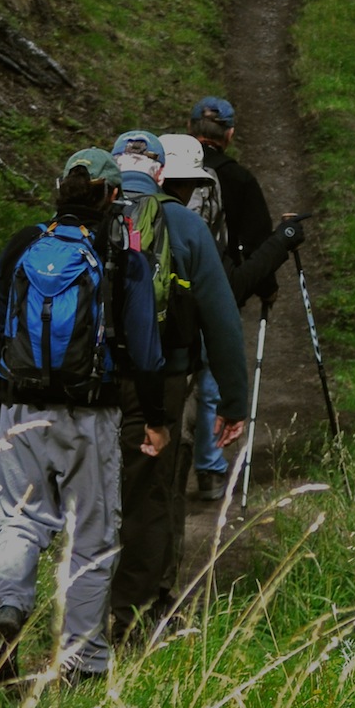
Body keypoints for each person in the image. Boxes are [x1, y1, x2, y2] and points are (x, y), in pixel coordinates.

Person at [0, 148, 167, 685]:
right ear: (113, 196)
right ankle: (83, 663)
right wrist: (156, 416)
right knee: (90, 535)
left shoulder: (24, 245)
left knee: (20, 520)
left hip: (20, 406)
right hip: (91, 415)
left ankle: (5, 613)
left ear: (61, 187)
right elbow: (148, 352)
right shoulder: (123, 259)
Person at [108, 130, 248, 637]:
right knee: (150, 491)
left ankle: (76, 604)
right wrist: (234, 400)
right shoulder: (187, 226)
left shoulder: (87, 215)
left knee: (97, 489)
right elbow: (222, 321)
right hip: (163, 380)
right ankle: (132, 614)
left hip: (90, 384)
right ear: (162, 175)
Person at [186, 97, 278, 500]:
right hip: (216, 292)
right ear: (230, 134)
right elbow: (258, 240)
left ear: (191, 130)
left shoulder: (169, 173)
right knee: (210, 383)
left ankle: (164, 458)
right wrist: (265, 286)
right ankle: (209, 470)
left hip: (166, 293)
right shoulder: (239, 179)